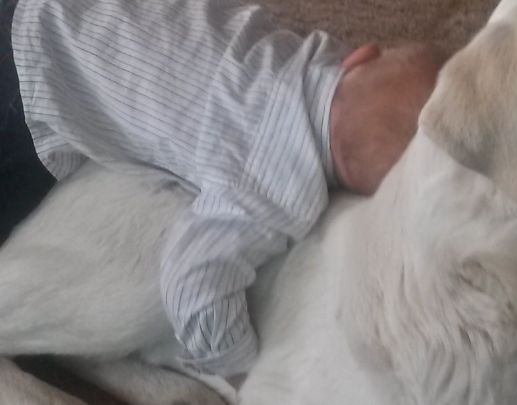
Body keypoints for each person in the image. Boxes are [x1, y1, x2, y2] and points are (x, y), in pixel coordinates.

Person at [10, 0, 445, 379]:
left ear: (360, 56)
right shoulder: (271, 191)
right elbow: (192, 284)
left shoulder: (300, 51)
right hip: (34, 84)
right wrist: (238, 364)